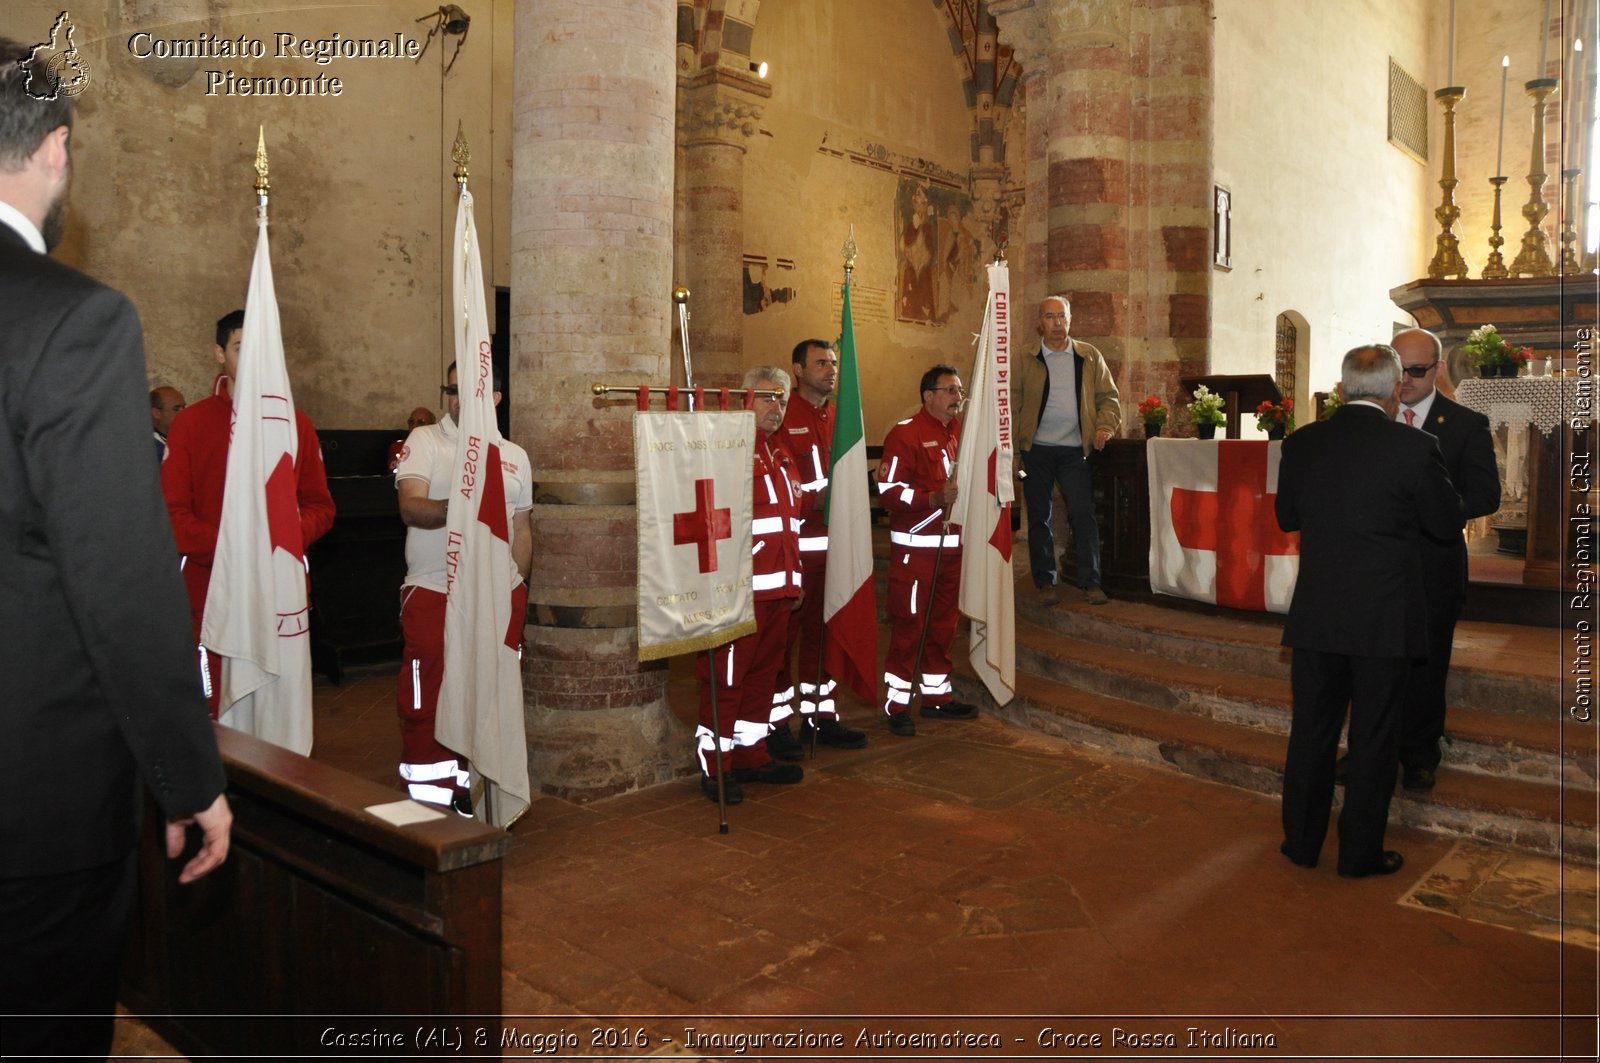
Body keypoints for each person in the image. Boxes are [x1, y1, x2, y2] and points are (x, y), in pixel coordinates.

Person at [0, 37, 232, 1058]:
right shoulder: (72, 320)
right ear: (54, 152)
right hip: (30, 805)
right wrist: (188, 778)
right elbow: (122, 583)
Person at [1275, 344, 1461, 878]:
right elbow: (1446, 526)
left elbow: (1288, 517)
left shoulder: (1304, 442)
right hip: (1384, 618)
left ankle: (1302, 844)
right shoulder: (1416, 447)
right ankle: (1359, 854)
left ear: (1342, 388)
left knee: (1310, 731)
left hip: (1318, 615)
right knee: (1375, 737)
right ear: (1394, 389)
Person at [162, 309, 336, 716]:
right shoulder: (190, 424)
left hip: (280, 590)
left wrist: (284, 536)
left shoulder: (297, 424)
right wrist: (233, 550)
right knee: (215, 713)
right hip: (212, 592)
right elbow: (171, 515)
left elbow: (320, 507)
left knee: (279, 714)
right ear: (219, 353)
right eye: (241, 346)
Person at [394, 363, 533, 813]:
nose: (460, 398)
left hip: (498, 593)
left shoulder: (514, 455)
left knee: (488, 693)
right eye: (453, 389)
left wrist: (519, 587)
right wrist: (464, 505)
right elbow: (412, 509)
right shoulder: (427, 441)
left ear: (495, 397)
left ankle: (470, 789)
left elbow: (522, 528)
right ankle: (427, 801)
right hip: (435, 589)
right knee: (429, 694)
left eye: (471, 390)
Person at [1391, 327, 1501, 791]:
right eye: (1399, 371)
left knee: (1425, 663)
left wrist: (1436, 511)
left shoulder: (1464, 423)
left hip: (1433, 563)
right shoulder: (1374, 417)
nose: (1407, 381)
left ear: (1437, 369)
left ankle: (1419, 752)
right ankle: (1369, 751)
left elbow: (1486, 495)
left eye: (1417, 371)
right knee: (1372, 663)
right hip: (1377, 565)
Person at [695, 367, 806, 802]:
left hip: (780, 590)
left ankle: (750, 755)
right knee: (725, 679)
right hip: (740, 591)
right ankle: (714, 766)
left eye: (781, 400)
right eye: (766, 399)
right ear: (743, 400)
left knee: (763, 677)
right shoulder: (727, 452)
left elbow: (789, 522)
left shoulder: (781, 453)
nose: (776, 408)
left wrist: (794, 580)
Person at [767, 339, 868, 757]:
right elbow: (780, 485)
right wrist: (815, 500)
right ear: (797, 369)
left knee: (825, 636)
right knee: (781, 641)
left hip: (836, 550)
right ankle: (773, 724)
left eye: (833, 363)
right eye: (821, 363)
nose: (830, 370)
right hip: (795, 550)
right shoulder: (782, 416)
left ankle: (821, 715)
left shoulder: (840, 416)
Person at [876, 365, 981, 736]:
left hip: (953, 551)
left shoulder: (961, 434)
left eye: (960, 391)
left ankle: (937, 696)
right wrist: (931, 499)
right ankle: (897, 703)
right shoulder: (905, 434)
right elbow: (888, 491)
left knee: (944, 627)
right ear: (929, 395)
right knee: (910, 627)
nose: (957, 398)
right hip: (916, 552)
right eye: (950, 390)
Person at [1013, 294, 1122, 605]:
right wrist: (1015, 450)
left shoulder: (1088, 356)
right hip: (1037, 452)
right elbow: (1014, 403)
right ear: (1039, 323)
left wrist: (1104, 426)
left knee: (1082, 513)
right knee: (1038, 517)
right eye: (1049, 317)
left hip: (1075, 451)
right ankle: (1045, 581)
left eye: (1062, 317)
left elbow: (1108, 398)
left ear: (1070, 321)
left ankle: (1091, 582)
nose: (1057, 323)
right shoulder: (1024, 358)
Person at [388, 405, 436, 473]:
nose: (414, 426)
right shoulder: (397, 447)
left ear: (432, 426)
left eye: (420, 423)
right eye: (411, 422)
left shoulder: (437, 448)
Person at [150, 384, 185, 461]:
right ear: (156, 413)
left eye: (184, 407)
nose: (184, 413)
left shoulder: (183, 436)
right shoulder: (149, 450)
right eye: (176, 409)